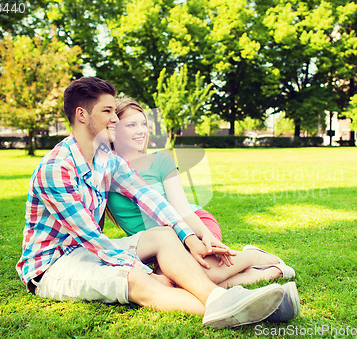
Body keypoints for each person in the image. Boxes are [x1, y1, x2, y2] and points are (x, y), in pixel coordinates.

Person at [16, 77, 295, 329]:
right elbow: (91, 237)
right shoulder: (57, 168)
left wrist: (188, 237)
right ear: (81, 115)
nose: (115, 118)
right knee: (139, 281)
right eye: (107, 111)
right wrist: (144, 270)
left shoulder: (107, 160)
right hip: (53, 265)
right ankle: (252, 308)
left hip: (86, 249)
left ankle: (227, 299)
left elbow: (149, 197)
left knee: (163, 236)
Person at [107, 98, 298, 290]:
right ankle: (258, 274)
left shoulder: (160, 161)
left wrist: (204, 234)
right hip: (160, 245)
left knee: (205, 274)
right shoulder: (104, 170)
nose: (141, 130)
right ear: (113, 128)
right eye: (131, 125)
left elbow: (181, 209)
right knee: (176, 284)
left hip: (195, 224)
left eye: (143, 124)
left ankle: (255, 257)